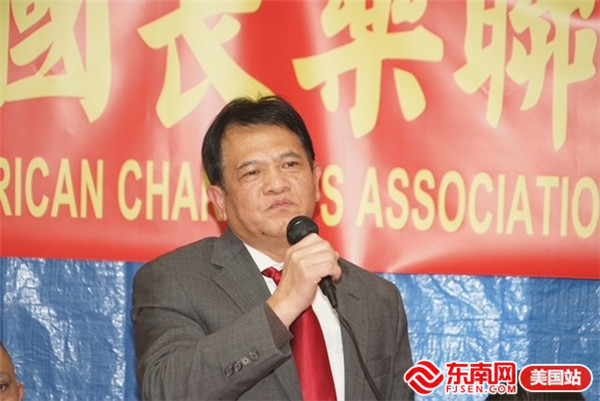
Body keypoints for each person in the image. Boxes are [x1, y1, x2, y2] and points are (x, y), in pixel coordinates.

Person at [132, 95, 414, 400]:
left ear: (316, 180)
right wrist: (284, 304)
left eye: (290, 164)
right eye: (252, 172)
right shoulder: (175, 280)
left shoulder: (376, 298)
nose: (277, 184)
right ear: (219, 200)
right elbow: (166, 391)